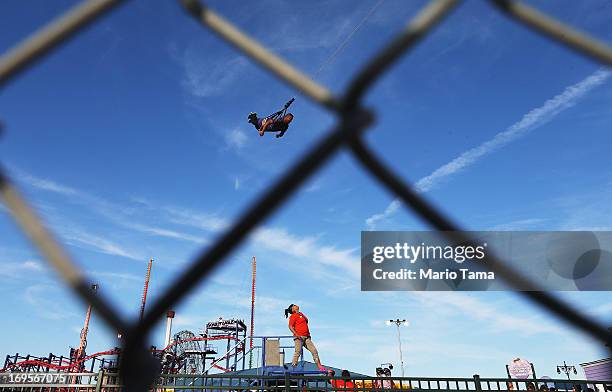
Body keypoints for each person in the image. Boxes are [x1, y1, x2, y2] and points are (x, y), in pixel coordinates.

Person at [285, 303, 325, 371]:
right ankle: (293, 368)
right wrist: (296, 334)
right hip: (299, 337)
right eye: (294, 305)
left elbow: (306, 321)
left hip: (306, 337)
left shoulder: (300, 314)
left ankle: (319, 365)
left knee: (314, 350)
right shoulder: (293, 316)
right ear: (292, 309)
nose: (296, 305)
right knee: (298, 352)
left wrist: (300, 314)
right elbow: (290, 326)